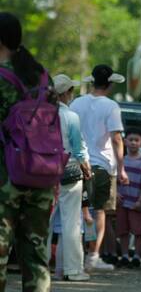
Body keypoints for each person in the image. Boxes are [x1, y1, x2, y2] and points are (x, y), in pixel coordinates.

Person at [0, 12, 57, 291]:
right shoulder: (41, 76)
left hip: (6, 178)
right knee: (36, 257)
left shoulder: (3, 78)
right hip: (41, 174)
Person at [71, 64, 129, 271]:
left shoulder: (76, 103)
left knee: (77, 210)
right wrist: (121, 168)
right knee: (99, 212)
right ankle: (93, 257)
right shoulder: (111, 106)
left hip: (77, 163)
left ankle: (75, 255)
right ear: (110, 83)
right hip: (103, 165)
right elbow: (116, 138)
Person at [48, 74, 92, 281]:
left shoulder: (40, 113)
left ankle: (39, 268)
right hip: (70, 170)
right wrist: (87, 168)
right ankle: (72, 270)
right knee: (72, 222)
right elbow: (77, 149)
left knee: (43, 221)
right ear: (66, 93)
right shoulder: (70, 116)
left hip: (43, 171)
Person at [115, 129, 141, 269]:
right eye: (131, 140)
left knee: (138, 231)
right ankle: (124, 256)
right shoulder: (121, 160)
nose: (134, 143)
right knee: (123, 231)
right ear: (125, 142)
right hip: (122, 201)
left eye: (137, 140)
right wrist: (116, 194)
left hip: (136, 202)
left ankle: (136, 257)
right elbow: (115, 180)